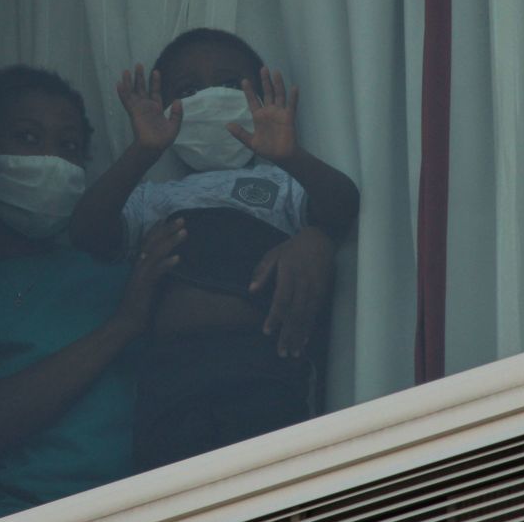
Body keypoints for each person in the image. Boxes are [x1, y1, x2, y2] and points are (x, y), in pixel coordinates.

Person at [0, 64, 339, 522]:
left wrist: (317, 237)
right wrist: (122, 327)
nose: (51, 161)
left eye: (69, 147)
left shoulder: (129, 258)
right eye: (27, 139)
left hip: (156, 520)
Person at [69, 29, 359, 471]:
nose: (209, 98)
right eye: (188, 90)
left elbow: (341, 206)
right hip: (171, 371)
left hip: (261, 363)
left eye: (228, 86)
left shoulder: (279, 184)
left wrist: (290, 155)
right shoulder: (153, 198)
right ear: (165, 109)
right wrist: (143, 150)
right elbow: (88, 232)